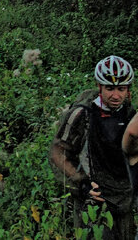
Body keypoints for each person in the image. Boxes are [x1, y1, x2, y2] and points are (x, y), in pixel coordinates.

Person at [53, 55, 135, 239]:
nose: (116, 95)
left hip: (123, 200)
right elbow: (59, 152)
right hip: (93, 200)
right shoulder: (83, 114)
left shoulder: (129, 113)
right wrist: (81, 183)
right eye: (110, 88)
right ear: (99, 87)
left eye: (121, 89)